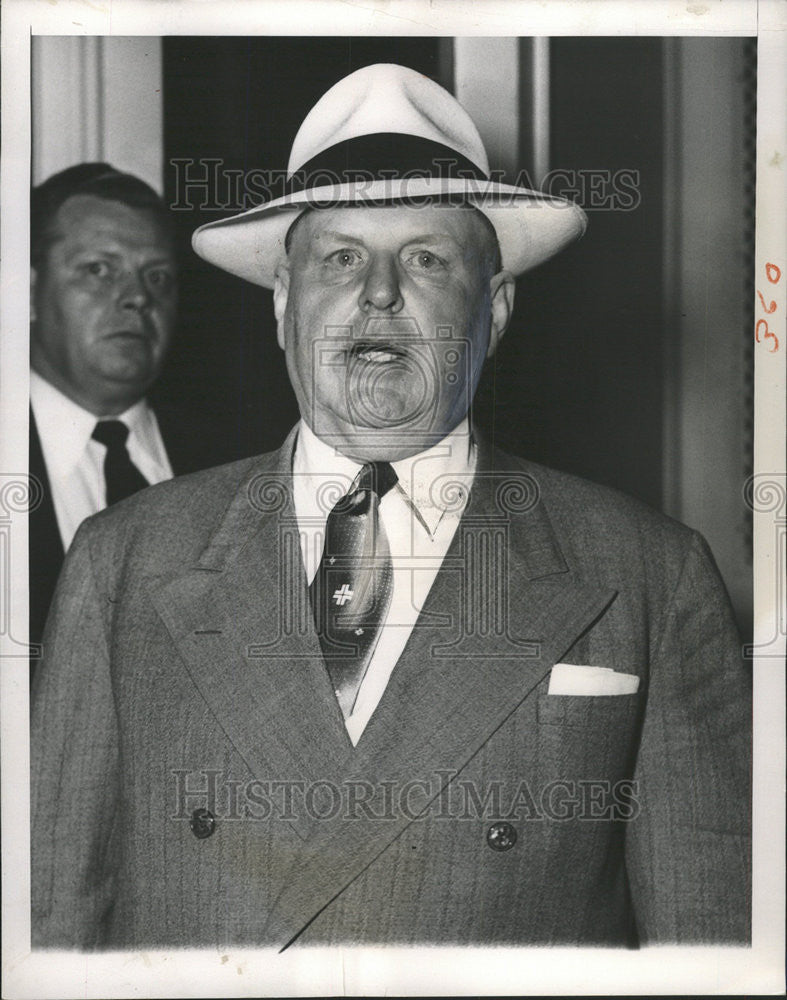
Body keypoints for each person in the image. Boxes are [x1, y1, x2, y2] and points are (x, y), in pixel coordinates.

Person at [31, 64, 750, 949]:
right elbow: (51, 925)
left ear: (493, 310)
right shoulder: (123, 563)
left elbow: (706, 947)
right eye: (339, 257)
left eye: (425, 258)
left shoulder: (647, 575)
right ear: (285, 305)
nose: (378, 292)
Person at [29, 164, 227, 663]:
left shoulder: (235, 460)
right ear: (26, 291)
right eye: (99, 269)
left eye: (157, 276)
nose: (139, 297)